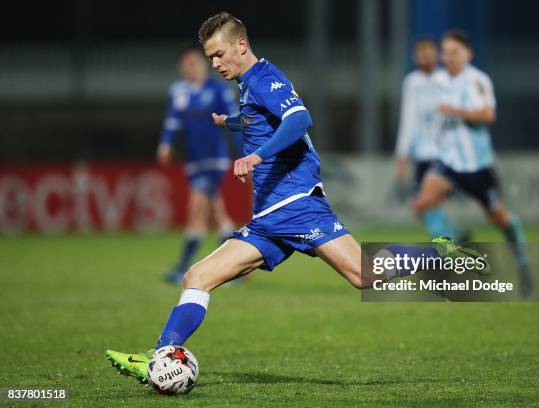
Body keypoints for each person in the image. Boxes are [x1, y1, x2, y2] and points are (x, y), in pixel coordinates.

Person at [105, 14, 487, 382]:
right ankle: (159, 356)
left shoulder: (266, 78)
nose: (215, 63)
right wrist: (232, 123)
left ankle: (440, 252)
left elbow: (299, 119)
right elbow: (261, 120)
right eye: (210, 59)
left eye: (219, 55)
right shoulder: (249, 84)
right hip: (268, 218)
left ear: (241, 45)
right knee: (197, 277)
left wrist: (256, 156)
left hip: (297, 206)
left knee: (364, 275)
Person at [412, 30, 532, 296]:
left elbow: (488, 114)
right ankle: (453, 246)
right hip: (448, 162)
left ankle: (523, 264)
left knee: (499, 218)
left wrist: (457, 112)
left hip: (477, 166)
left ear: (468, 54)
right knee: (421, 203)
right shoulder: (438, 81)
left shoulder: (478, 80)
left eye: (454, 52)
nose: (449, 57)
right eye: (446, 52)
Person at [158, 46, 239, 284]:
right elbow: (172, 122)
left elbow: (236, 121)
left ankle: (184, 265)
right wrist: (165, 144)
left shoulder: (218, 90)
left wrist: (245, 153)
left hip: (214, 158)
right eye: (186, 65)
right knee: (217, 213)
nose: (190, 68)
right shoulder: (179, 92)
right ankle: (237, 269)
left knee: (197, 207)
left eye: (194, 63)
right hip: (192, 159)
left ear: (204, 65)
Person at [395, 37, 466, 241]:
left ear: (437, 56)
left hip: (445, 154)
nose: (425, 57)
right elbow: (408, 120)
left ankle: (446, 243)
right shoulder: (412, 82)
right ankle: (456, 234)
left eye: (429, 52)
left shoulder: (447, 80)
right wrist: (402, 154)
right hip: (422, 154)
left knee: (426, 203)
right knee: (422, 208)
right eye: (421, 53)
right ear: (415, 57)